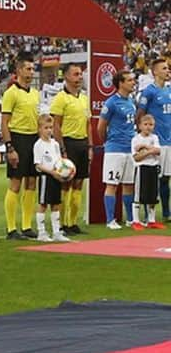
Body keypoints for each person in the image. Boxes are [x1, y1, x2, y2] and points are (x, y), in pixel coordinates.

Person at [1, 53, 40, 241]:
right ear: (19, 71)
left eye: (33, 69)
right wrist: (10, 147)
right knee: (16, 182)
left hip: (33, 138)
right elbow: (4, 122)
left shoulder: (35, 93)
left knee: (32, 181)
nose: (31, 72)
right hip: (18, 138)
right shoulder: (11, 93)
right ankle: (11, 228)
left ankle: (26, 225)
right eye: (28, 69)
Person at [50, 63, 90, 235]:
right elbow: (56, 125)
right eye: (75, 74)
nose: (79, 77)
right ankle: (62, 223)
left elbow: (88, 124)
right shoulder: (60, 98)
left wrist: (90, 146)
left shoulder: (84, 98)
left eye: (80, 74)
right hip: (68, 142)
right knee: (66, 183)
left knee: (79, 183)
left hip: (82, 143)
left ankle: (73, 222)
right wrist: (62, 148)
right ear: (66, 77)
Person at [97, 69, 137, 230]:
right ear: (120, 83)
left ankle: (129, 219)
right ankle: (110, 220)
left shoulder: (131, 102)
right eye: (130, 80)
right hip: (115, 149)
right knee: (112, 183)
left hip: (130, 149)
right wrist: (108, 141)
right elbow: (101, 126)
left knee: (128, 184)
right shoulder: (111, 102)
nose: (133, 82)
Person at [135, 56, 171, 223]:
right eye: (164, 68)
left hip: (169, 140)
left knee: (166, 177)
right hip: (156, 142)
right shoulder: (149, 92)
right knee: (154, 178)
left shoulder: (169, 90)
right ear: (155, 72)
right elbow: (140, 114)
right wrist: (143, 136)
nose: (167, 70)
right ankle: (150, 213)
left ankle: (165, 212)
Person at [33, 114, 71, 243]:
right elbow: (38, 164)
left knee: (56, 204)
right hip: (46, 177)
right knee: (43, 204)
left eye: (50, 127)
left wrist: (63, 173)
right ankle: (41, 232)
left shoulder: (55, 144)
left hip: (56, 176)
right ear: (39, 129)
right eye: (46, 128)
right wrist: (51, 172)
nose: (49, 130)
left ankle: (56, 232)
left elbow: (59, 161)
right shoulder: (38, 145)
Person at [130, 112, 162, 230]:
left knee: (152, 194)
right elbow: (136, 157)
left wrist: (145, 149)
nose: (148, 127)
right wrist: (150, 150)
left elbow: (158, 151)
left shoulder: (155, 138)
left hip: (153, 167)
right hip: (141, 168)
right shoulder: (136, 139)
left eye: (151, 124)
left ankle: (151, 220)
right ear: (140, 126)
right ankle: (136, 220)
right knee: (139, 195)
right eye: (146, 124)